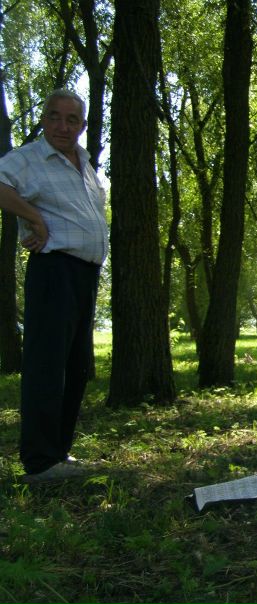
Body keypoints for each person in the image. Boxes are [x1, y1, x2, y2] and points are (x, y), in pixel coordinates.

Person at [0, 89, 109, 483]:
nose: (62, 127)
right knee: (46, 364)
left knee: (75, 366)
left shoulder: (84, 163)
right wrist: (34, 218)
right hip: (54, 270)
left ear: (81, 125)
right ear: (44, 120)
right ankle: (39, 460)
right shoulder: (29, 158)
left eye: (71, 120)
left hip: (84, 273)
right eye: (55, 117)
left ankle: (59, 452)